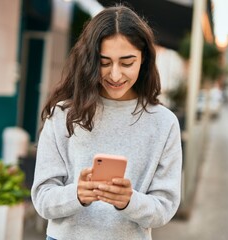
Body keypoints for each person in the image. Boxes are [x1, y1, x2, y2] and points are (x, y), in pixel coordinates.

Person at [31, 5, 182, 240]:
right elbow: (42, 198)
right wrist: (77, 194)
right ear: (90, 60)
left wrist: (129, 201)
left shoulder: (164, 123)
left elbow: (165, 207)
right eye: (104, 62)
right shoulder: (63, 114)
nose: (114, 75)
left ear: (144, 59)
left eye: (127, 62)